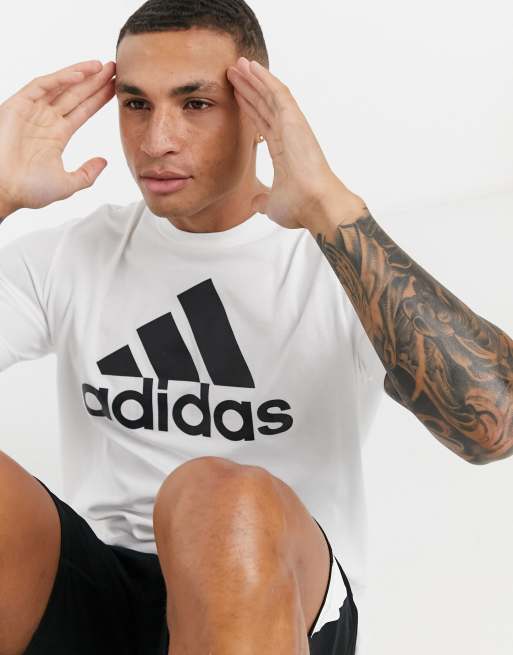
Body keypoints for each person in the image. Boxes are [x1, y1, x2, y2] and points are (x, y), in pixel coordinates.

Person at [0, 1, 511, 654]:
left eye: (195, 103)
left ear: (257, 112)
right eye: (136, 104)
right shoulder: (73, 255)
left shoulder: (337, 263)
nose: (156, 140)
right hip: (104, 592)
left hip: (277, 599)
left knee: (213, 496)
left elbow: (494, 425)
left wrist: (328, 206)